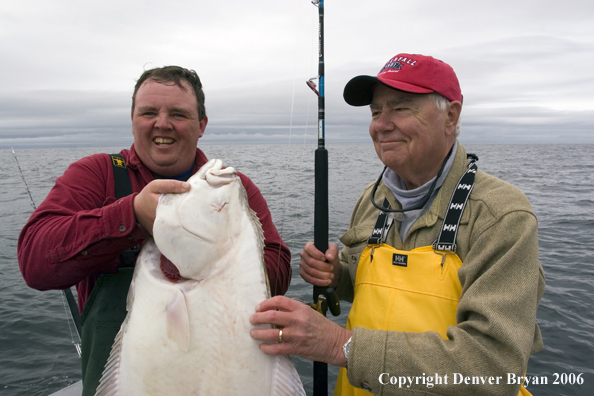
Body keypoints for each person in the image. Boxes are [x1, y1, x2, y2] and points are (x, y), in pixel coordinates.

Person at [250, 53, 545, 396]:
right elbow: (369, 288)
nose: (381, 124)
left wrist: (340, 346)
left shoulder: (501, 214)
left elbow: (493, 366)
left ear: (451, 116)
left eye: (401, 108)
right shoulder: (373, 200)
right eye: (376, 112)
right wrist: (338, 275)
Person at [17, 66, 292, 396]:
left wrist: (226, 254)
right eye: (149, 112)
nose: (163, 124)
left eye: (178, 114)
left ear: (201, 125)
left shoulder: (232, 190)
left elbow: (278, 268)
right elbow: (35, 262)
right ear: (132, 119)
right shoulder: (96, 175)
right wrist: (130, 217)